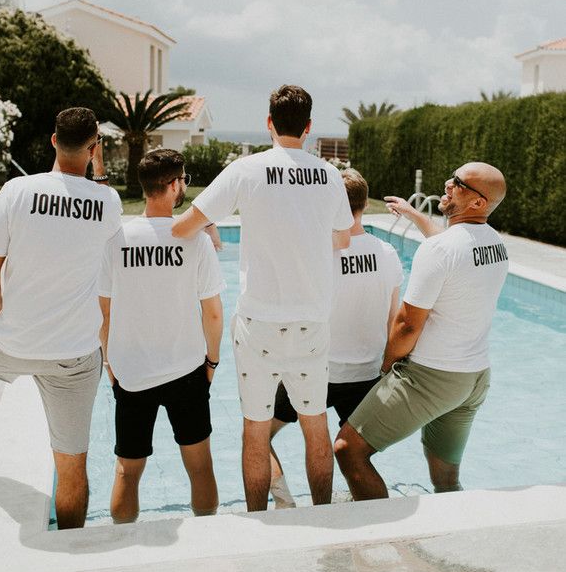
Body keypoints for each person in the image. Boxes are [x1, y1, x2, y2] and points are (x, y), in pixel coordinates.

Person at [172, 85, 354, 511]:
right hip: (312, 321)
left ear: (269, 123)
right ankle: (322, 516)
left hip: (258, 325)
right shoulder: (328, 174)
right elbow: (343, 237)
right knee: (316, 426)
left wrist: (207, 227)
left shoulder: (247, 169)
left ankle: (258, 524)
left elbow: (184, 226)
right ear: (308, 128)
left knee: (255, 429)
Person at [335, 162, 508, 499]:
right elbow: (452, 250)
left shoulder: (440, 250)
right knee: (446, 480)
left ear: (478, 202)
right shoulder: (496, 245)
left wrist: (385, 368)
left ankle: (384, 540)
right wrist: (415, 215)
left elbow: (407, 324)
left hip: (431, 378)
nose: (447, 183)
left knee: (347, 449)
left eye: (458, 183)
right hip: (472, 379)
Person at [0, 107, 121, 529]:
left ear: (52, 140)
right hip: (71, 357)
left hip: (7, 345)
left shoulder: (15, 190)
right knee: (71, 464)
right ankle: (72, 550)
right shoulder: (107, 201)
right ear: (92, 148)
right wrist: (97, 169)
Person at [98, 149, 225, 523]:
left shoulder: (116, 239)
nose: (184, 185)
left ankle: (125, 545)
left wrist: (109, 359)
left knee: (127, 469)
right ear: (173, 186)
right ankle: (207, 538)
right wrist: (212, 362)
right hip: (186, 369)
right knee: (199, 466)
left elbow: (103, 310)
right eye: (183, 179)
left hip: (132, 371)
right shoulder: (195, 241)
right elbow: (213, 312)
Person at [268, 168, 403, 508]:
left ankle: (286, 504)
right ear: (364, 204)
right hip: (368, 376)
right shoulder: (386, 253)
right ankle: (365, 516)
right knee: (354, 456)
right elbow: (393, 319)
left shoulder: (318, 254)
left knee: (257, 436)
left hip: (318, 372)